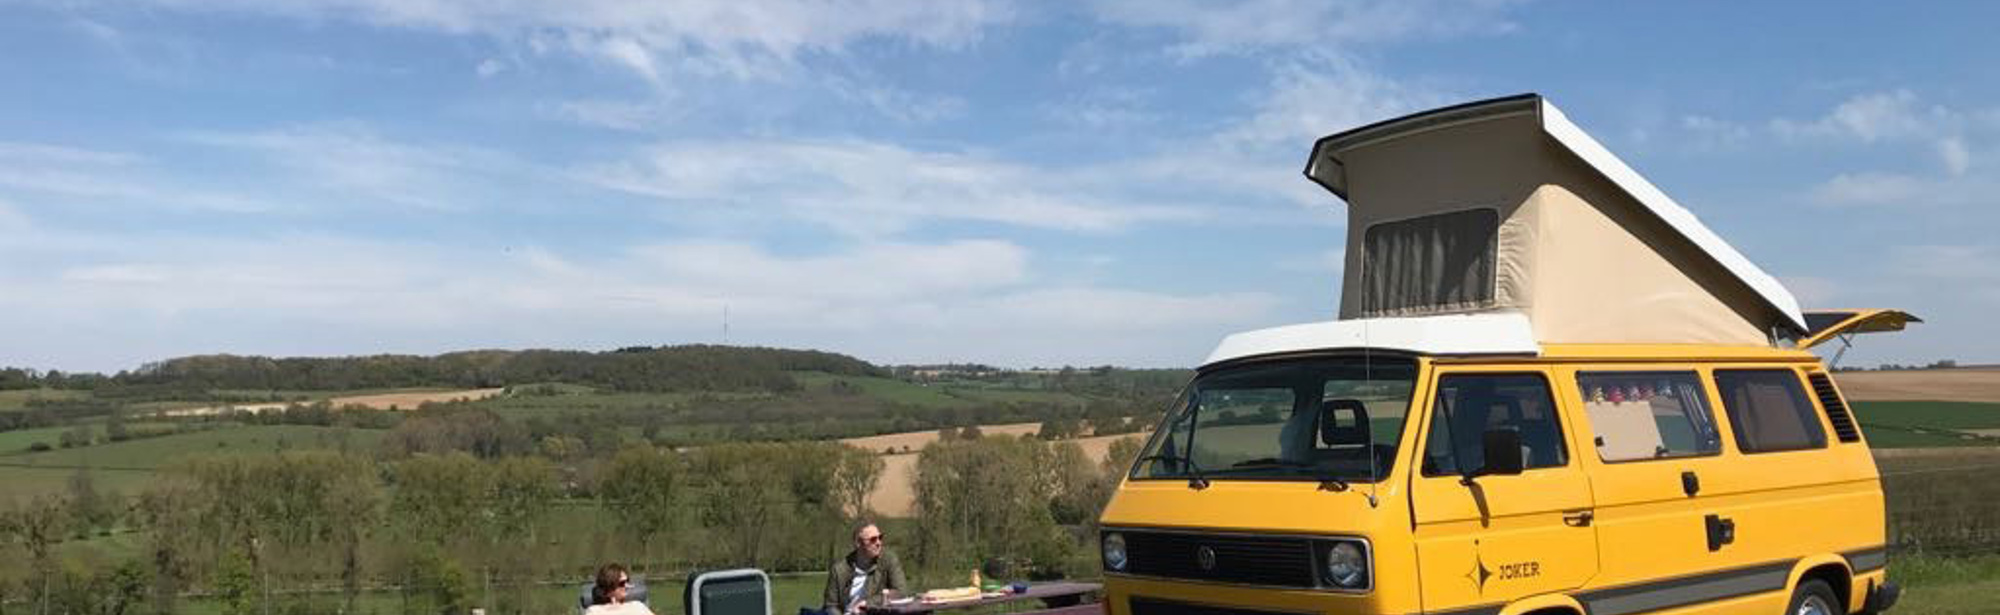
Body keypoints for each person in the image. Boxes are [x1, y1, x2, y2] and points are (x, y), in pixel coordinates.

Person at [822, 521, 907, 615]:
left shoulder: (889, 560)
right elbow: (830, 605)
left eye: (880, 537)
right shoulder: (839, 570)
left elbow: (901, 592)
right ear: (858, 543)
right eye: (873, 539)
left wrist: (867, 603)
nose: (878, 543)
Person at [586, 563, 655, 615]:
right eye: (622, 583)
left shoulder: (638, 606)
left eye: (627, 581)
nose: (627, 586)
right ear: (609, 585)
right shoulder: (595, 611)